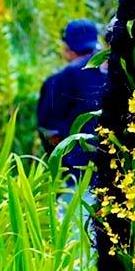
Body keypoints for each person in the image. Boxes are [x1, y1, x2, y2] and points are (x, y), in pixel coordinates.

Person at [36, 19, 107, 183]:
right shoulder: (111, 70)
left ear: (67, 49)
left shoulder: (62, 77)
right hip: (110, 172)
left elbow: (47, 128)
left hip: (75, 176)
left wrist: (66, 157)